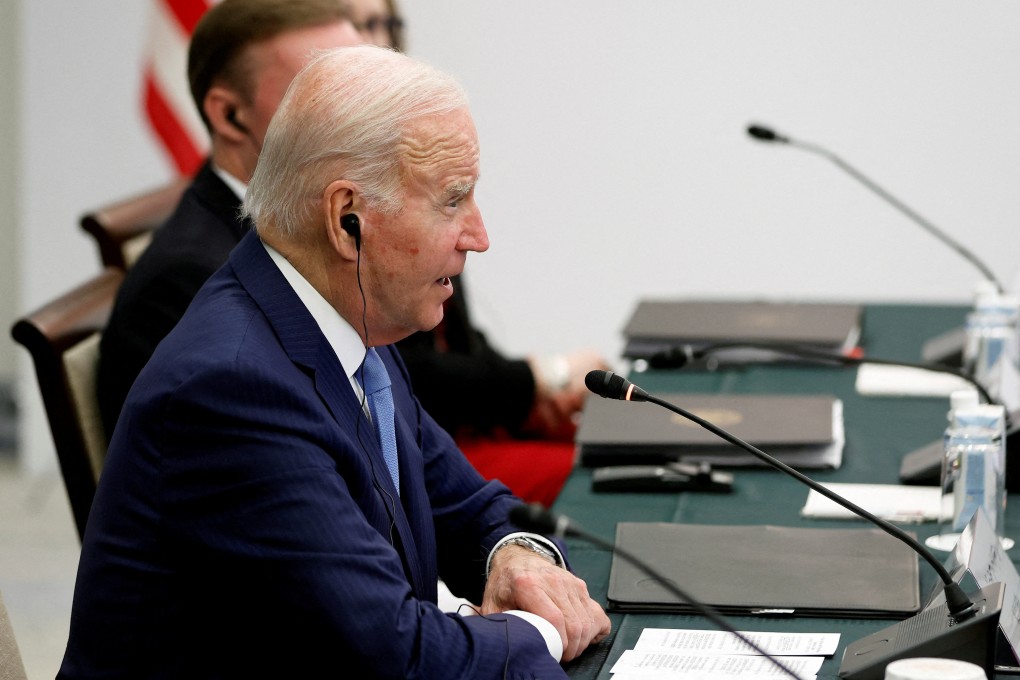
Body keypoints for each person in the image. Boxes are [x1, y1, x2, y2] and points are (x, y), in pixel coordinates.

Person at [58, 45, 611, 679]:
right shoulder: (231, 390)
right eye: (453, 201)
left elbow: (469, 505)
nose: (478, 236)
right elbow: (397, 657)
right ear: (348, 218)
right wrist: (544, 630)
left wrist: (516, 556)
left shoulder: (348, 322)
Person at [349, 0, 613, 506]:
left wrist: (534, 393)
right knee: (598, 482)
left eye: (388, 24)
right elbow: (406, 371)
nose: (478, 237)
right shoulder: (358, 192)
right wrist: (540, 377)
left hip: (467, 426)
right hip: (425, 440)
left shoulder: (422, 150)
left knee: (624, 444)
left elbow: (454, 337)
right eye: (362, 25)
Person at [97, 0, 364, 438]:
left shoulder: (320, 221)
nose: (365, 114)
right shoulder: (188, 281)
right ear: (229, 115)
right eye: (327, 93)